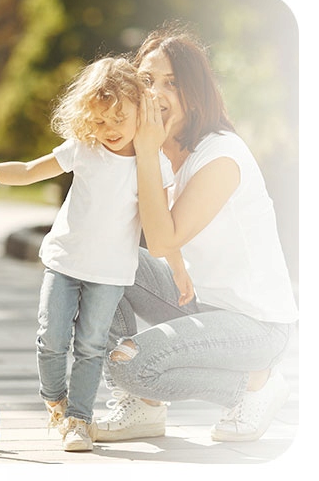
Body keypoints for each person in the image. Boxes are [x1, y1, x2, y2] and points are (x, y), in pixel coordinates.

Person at [92, 27, 298, 444]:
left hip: (256, 327)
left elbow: (162, 240)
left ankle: (256, 384)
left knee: (129, 364)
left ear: (195, 93)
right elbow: (115, 229)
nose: (156, 93)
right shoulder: (162, 151)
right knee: (97, 261)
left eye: (172, 83)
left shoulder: (221, 155)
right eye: (147, 80)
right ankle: (142, 407)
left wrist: (144, 151)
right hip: (200, 304)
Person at [0, 57, 156, 451]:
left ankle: (79, 420)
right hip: (64, 262)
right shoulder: (84, 149)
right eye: (99, 120)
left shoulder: (150, 163)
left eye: (119, 118)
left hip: (110, 273)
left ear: (140, 111)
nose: (109, 129)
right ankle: (55, 400)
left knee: (91, 346)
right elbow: (29, 171)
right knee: (50, 339)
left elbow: (160, 217)